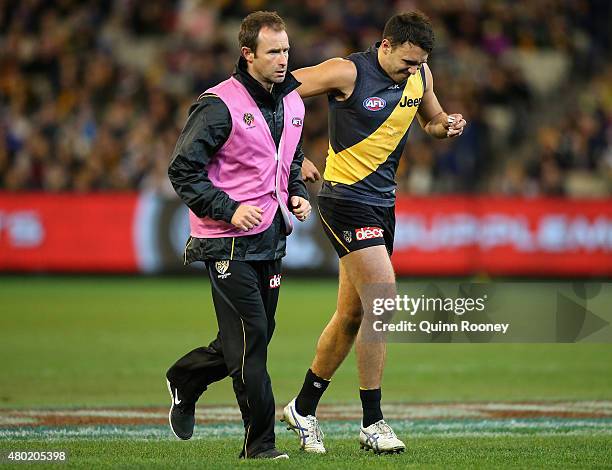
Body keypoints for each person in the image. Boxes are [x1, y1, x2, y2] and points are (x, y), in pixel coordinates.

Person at [282, 11, 467, 454]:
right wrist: (292, 160)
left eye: (418, 63)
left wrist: (447, 126)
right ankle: (372, 422)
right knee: (383, 297)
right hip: (344, 200)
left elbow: (431, 122)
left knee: (352, 316)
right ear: (385, 45)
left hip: (384, 206)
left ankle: (302, 408)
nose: (412, 70)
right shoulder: (346, 72)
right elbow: (276, 92)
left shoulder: (421, 75)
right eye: (406, 61)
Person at [165, 11, 311, 460]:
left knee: (254, 336)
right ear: (247, 54)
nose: (283, 60)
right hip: (224, 240)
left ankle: (185, 379)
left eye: (286, 50)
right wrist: (230, 208)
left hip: (271, 236)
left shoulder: (293, 101)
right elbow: (182, 170)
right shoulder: (217, 105)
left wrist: (298, 192)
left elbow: (288, 158)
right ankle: (260, 445)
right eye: (274, 52)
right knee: (251, 338)